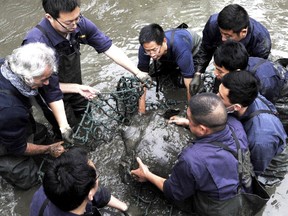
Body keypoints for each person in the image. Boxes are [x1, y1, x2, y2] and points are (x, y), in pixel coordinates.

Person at [22, 0, 151, 137]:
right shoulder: (36, 43)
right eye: (68, 22)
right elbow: (50, 89)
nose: (75, 25)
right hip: (49, 92)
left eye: (77, 18)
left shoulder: (79, 23)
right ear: (49, 17)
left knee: (86, 116)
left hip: (75, 84)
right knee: (69, 130)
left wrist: (138, 73)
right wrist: (63, 126)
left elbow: (108, 47)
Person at [131, 93, 268, 215]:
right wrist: (188, 123)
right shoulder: (236, 124)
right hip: (247, 189)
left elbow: (174, 192)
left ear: (203, 129)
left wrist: (147, 174)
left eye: (189, 120)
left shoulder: (192, 159)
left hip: (220, 209)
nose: (188, 121)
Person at [0, 43, 65, 190]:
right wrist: (48, 149)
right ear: (26, 77)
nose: (47, 83)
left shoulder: (7, 65)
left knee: (39, 132)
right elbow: (18, 148)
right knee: (27, 177)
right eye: (43, 80)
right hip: (6, 120)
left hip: (7, 117)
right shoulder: (11, 110)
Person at [219, 70, 288, 186]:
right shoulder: (248, 95)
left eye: (220, 97)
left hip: (271, 164)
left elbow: (252, 170)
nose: (216, 98)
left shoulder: (261, 139)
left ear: (236, 107)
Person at [30, 147, 141, 216]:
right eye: (97, 176)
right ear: (89, 194)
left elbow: (96, 192)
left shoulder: (54, 183)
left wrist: (125, 208)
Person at [191, 4, 271, 95]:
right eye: (221, 33)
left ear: (243, 32)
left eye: (228, 36)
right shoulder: (213, 24)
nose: (223, 39)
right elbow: (206, 49)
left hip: (250, 58)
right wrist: (198, 73)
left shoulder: (261, 41)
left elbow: (252, 70)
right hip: (227, 56)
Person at [137, 23, 201, 101]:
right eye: (148, 51)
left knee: (183, 82)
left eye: (154, 49)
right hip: (166, 53)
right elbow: (142, 77)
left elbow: (189, 83)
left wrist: (190, 111)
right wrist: (141, 111)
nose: (152, 55)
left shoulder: (181, 48)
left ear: (164, 41)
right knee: (153, 74)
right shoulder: (145, 48)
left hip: (193, 49)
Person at [212, 40, 288, 103]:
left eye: (220, 71)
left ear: (236, 72)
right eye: (215, 68)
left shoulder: (263, 83)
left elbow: (266, 107)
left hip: (281, 90)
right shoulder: (234, 63)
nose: (215, 73)